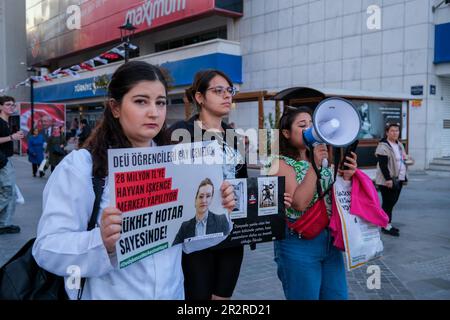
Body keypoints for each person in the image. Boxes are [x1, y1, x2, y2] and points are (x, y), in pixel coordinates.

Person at [32, 61, 235, 300]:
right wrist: (100, 241)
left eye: (160, 102)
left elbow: (188, 243)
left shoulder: (179, 161)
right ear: (115, 107)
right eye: (141, 101)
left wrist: (219, 212)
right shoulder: (81, 166)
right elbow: (47, 248)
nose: (153, 112)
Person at [169, 69, 247, 300]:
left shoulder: (234, 136)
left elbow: (240, 182)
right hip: (195, 238)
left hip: (231, 234)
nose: (227, 96)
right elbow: (171, 183)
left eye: (229, 90)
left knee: (222, 297)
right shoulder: (180, 133)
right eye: (218, 90)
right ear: (200, 97)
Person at [268, 106, 358, 300]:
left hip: (329, 240)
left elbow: (332, 196)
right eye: (302, 125)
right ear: (286, 133)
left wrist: (347, 176)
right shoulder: (278, 163)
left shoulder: (321, 159)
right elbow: (299, 202)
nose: (310, 128)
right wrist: (315, 166)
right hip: (298, 243)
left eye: (312, 123)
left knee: (338, 295)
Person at [173, 178, 231, 245]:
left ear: (211, 199)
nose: (204, 201)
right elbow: (174, 247)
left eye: (208, 196)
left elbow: (228, 241)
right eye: (201, 196)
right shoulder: (185, 227)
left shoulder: (221, 220)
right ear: (195, 200)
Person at [375, 122, 409, 237]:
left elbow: (403, 158)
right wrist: (388, 179)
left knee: (392, 202)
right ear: (387, 132)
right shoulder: (383, 146)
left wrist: (408, 160)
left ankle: (387, 224)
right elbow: (383, 165)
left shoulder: (399, 144)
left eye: (397, 131)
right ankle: (385, 226)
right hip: (387, 180)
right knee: (388, 203)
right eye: (392, 131)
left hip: (398, 178)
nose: (395, 133)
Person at [0, 96, 24, 234]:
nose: (11, 107)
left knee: (10, 193)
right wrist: (11, 137)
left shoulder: (7, 122)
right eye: (8, 104)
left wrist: (14, 135)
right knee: (8, 191)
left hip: (6, 160)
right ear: (0, 107)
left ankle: (4, 224)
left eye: (13, 105)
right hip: (2, 161)